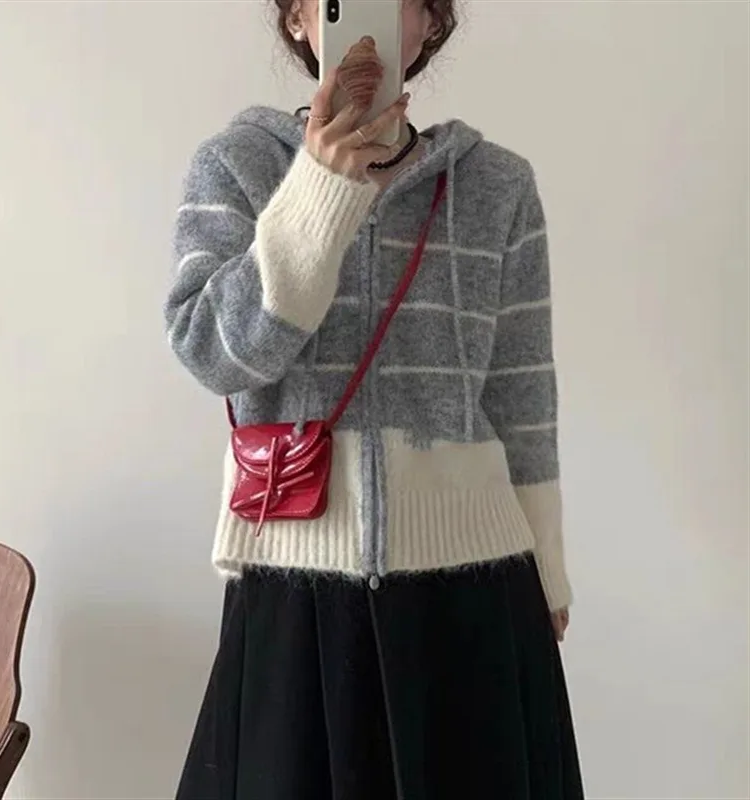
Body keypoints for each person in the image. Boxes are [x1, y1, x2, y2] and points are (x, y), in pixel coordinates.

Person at [165, 0, 584, 797]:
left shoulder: (497, 185)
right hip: (294, 596)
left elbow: (521, 391)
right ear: (298, 21)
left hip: (476, 592)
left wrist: (550, 572)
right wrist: (317, 192)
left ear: (429, 24)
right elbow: (211, 353)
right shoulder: (236, 166)